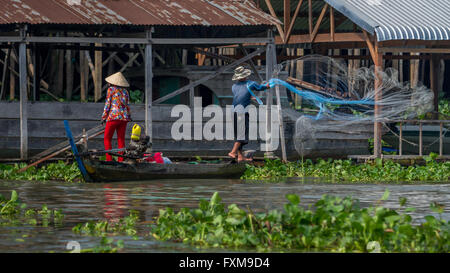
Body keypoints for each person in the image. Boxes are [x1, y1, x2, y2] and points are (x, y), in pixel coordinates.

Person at [228, 66, 270, 162]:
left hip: (233, 111)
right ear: (245, 75)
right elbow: (260, 88)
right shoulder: (251, 83)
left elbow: (240, 95)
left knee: (238, 133)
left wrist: (250, 97)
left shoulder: (234, 86)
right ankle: (233, 152)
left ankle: (240, 156)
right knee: (242, 134)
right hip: (241, 112)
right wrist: (267, 86)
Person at [101, 72, 132, 162]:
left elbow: (107, 104)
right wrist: (129, 116)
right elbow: (127, 105)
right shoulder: (125, 91)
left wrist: (103, 117)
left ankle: (109, 159)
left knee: (107, 138)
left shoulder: (111, 90)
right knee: (121, 139)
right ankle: (121, 160)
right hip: (124, 118)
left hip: (113, 117)